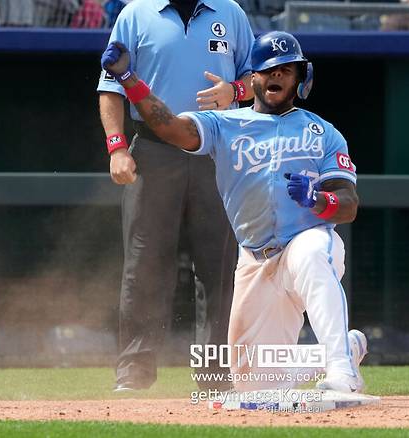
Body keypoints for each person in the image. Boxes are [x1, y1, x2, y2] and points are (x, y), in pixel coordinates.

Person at [100, 31, 369, 394]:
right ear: (252, 77)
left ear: (301, 78)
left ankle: (341, 371)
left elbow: (349, 205)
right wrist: (129, 80)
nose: (276, 75)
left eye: (287, 69)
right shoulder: (224, 124)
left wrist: (319, 201)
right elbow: (170, 128)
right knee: (252, 386)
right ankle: (344, 351)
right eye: (269, 69)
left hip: (305, 242)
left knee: (311, 254)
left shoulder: (322, 132)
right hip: (256, 260)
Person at [97, 0, 255, 392]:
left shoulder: (230, 11)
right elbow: (111, 85)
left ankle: (214, 376)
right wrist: (117, 147)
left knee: (218, 268)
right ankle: (134, 371)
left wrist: (234, 89)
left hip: (217, 148)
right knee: (144, 263)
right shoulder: (135, 13)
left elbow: (260, 77)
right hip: (153, 151)